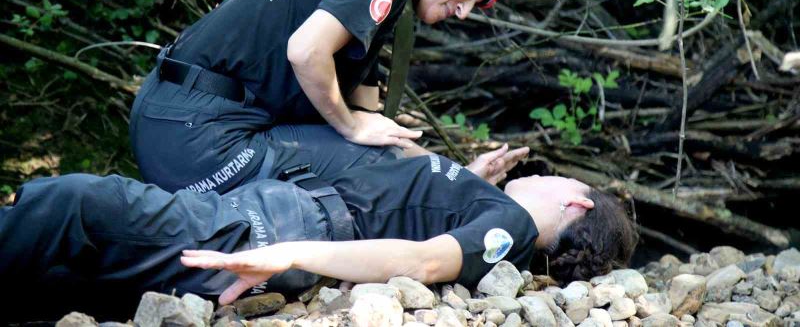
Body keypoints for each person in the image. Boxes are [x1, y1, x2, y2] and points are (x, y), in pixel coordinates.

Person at [129, 0, 523, 194]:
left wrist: (458, 174)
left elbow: (376, 139)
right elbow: (306, 51)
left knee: (359, 159)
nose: (465, 12)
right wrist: (348, 126)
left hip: (175, 120)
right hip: (200, 138)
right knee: (347, 185)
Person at [0, 153, 637, 320]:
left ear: (575, 202)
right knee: (68, 279)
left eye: (557, 177)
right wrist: (466, 184)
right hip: (276, 214)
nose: (542, 174)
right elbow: (426, 229)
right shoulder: (496, 215)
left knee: (79, 204)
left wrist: (290, 253)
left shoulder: (515, 228)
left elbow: (422, 258)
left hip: (280, 229)